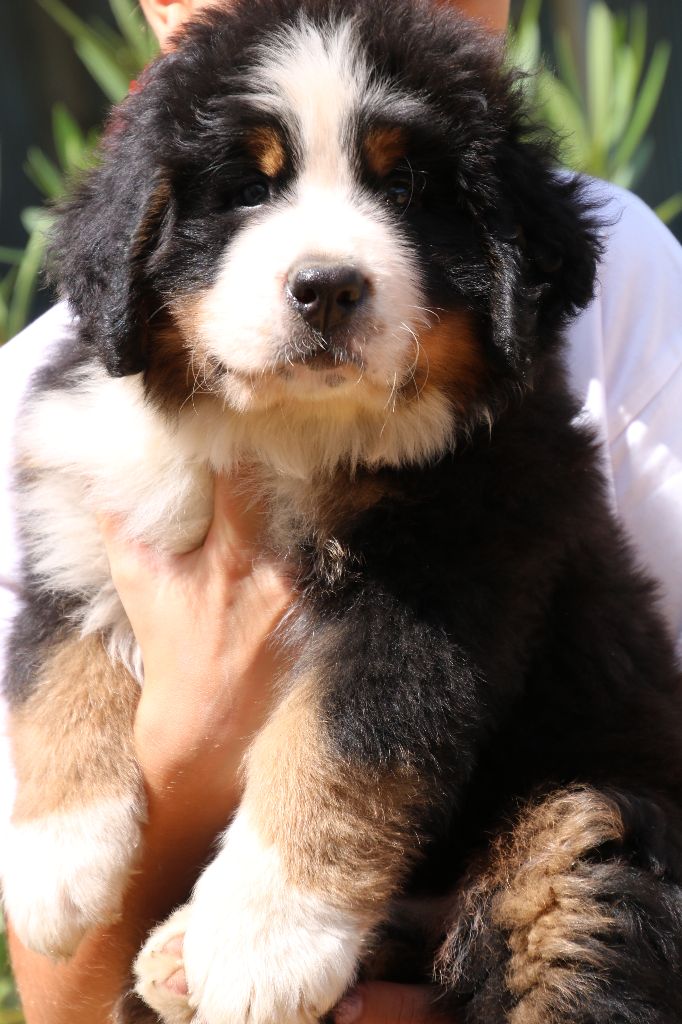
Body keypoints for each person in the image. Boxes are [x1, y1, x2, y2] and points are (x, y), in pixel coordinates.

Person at [1, 0, 681, 1020]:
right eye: (244, 191)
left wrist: (301, 877)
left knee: (588, 900)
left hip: (521, 846)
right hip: (232, 924)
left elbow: (421, 651)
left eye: (404, 188)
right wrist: (74, 790)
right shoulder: (44, 406)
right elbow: (61, 982)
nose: (326, 269)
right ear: (135, 244)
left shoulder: (505, 443)